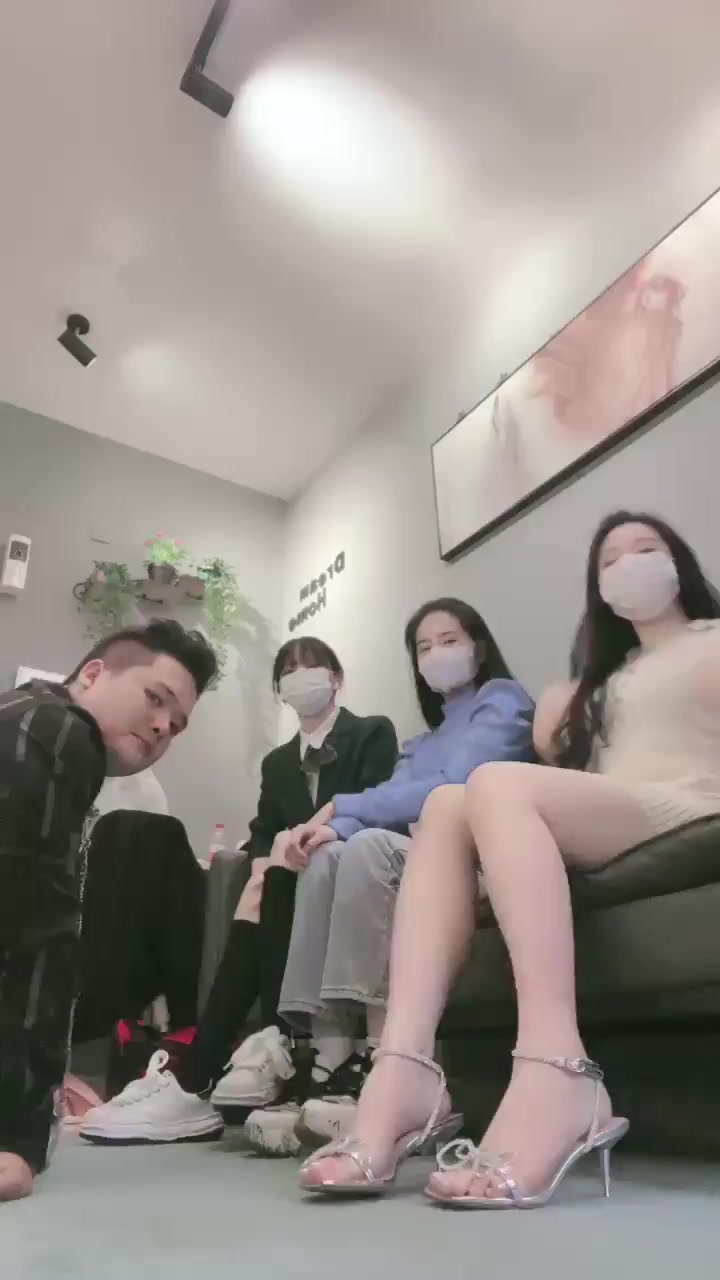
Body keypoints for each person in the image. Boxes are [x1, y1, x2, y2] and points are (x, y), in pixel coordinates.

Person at [299, 511, 720, 1206]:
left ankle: (559, 1069)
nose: (631, 564)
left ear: (679, 563)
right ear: (599, 588)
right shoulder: (597, 681)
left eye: (647, 548)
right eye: (611, 558)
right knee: (446, 805)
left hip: (693, 798)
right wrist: (573, 704)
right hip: (619, 805)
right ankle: (404, 1069)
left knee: (490, 783)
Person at [79, 636, 398, 1151]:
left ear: (336, 678)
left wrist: (304, 844)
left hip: (347, 859)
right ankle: (231, 1059)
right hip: (292, 869)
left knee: (272, 878)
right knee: (262, 874)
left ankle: (228, 1060)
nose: (300, 677)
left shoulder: (371, 733)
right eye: (288, 670)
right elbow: (264, 829)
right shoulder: (278, 763)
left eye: (312, 666)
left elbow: (378, 801)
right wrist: (268, 856)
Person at [246, 598, 533, 1157]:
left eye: (449, 640)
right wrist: (330, 828)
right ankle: (329, 1058)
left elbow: (456, 783)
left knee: (368, 846)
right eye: (424, 647)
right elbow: (393, 800)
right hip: (417, 856)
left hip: (472, 860)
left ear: (478, 647)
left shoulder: (503, 701)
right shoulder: (419, 743)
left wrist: (343, 808)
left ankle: (383, 1062)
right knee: (330, 853)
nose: (436, 654)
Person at [0, 619, 216, 1201]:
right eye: (155, 698)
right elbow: (30, 935)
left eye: (177, 724)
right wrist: (14, 1134)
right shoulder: (57, 732)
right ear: (93, 674)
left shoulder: (24, 716)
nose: (164, 726)